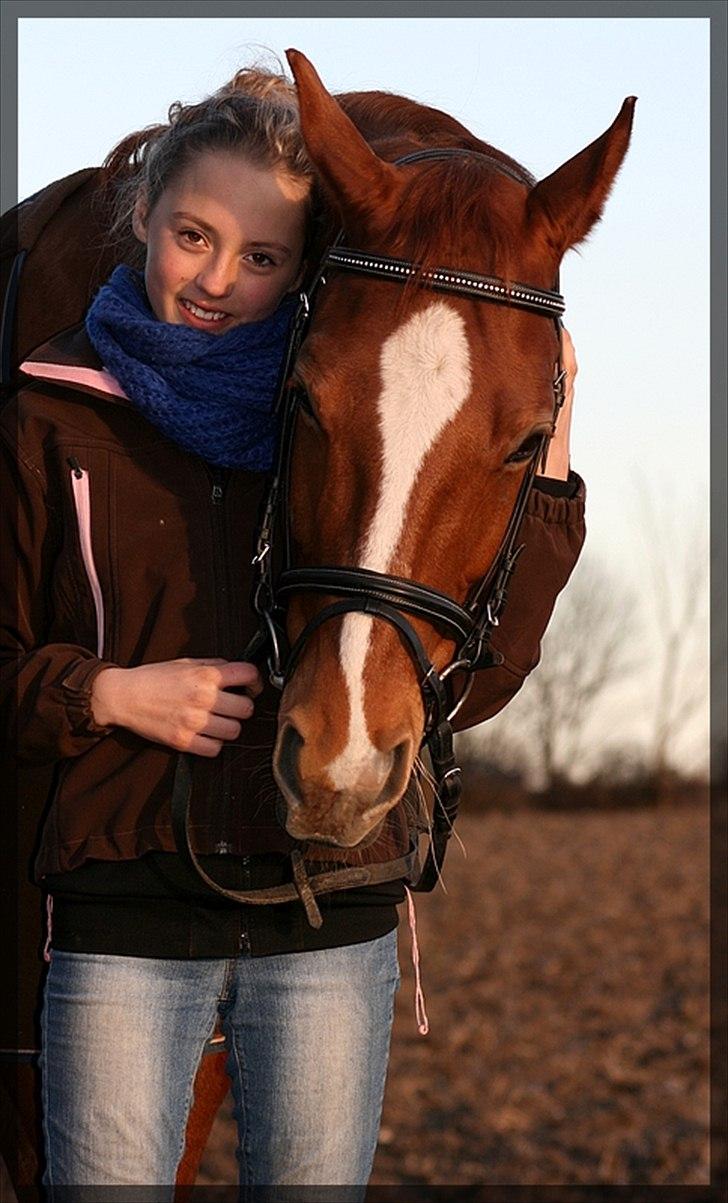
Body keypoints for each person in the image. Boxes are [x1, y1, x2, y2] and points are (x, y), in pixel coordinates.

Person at [0, 64, 585, 1198]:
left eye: (262, 257)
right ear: (142, 221)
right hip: (124, 902)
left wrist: (550, 459)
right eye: (192, 237)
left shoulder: (354, 414)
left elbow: (474, 672)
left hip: (326, 909)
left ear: (301, 271)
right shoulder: (51, 417)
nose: (219, 281)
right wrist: (107, 695)